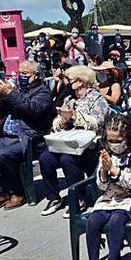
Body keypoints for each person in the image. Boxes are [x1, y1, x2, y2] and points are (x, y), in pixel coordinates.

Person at [74, 114, 131, 260]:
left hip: (129, 200)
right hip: (108, 200)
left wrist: (114, 170)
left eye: (118, 140)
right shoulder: (106, 155)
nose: (115, 144)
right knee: (94, 220)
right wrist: (104, 172)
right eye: (111, 140)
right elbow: (100, 185)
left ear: (128, 137)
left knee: (116, 220)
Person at [39, 66, 111, 217]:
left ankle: (79, 199)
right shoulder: (69, 99)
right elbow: (58, 121)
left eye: (70, 80)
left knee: (68, 159)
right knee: (46, 158)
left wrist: (74, 117)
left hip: (91, 146)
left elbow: (97, 123)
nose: (68, 83)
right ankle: (54, 198)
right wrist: (63, 120)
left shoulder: (97, 99)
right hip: (69, 143)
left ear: (81, 81)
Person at [0, 60, 54, 211]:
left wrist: (11, 94)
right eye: (19, 73)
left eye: (25, 73)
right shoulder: (18, 91)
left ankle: (18, 192)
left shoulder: (43, 92)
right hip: (7, 136)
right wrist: (2, 97)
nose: (21, 76)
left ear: (35, 75)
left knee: (3, 155)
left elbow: (31, 108)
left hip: (28, 138)